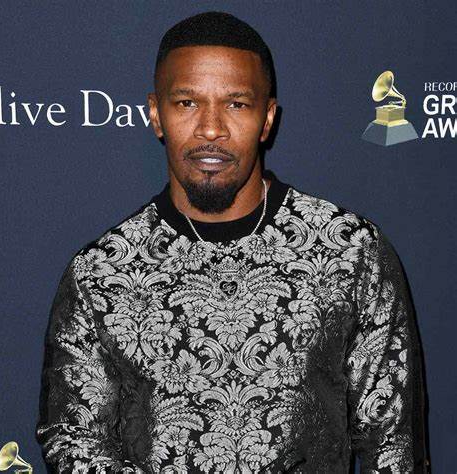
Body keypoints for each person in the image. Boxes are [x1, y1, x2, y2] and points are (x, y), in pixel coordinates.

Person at [35, 11, 429, 473]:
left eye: (237, 104)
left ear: (267, 119)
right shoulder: (101, 273)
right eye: (187, 102)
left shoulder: (350, 252)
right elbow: (74, 440)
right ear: (156, 114)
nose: (211, 129)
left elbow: (393, 445)